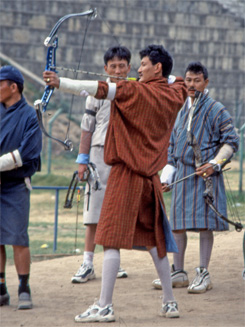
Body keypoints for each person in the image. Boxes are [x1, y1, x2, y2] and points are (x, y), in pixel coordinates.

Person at [43, 44, 188, 322]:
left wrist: (60, 83)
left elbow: (99, 88)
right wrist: (164, 76)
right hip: (150, 179)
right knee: (155, 241)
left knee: (109, 240)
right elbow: (177, 80)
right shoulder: (176, 93)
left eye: (143, 64)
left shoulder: (134, 91)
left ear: (156, 67)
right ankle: (170, 302)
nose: (139, 69)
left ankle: (104, 306)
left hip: (125, 175)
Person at [152, 61, 239, 293]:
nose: (191, 85)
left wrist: (214, 163)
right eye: (188, 80)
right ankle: (178, 272)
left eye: (197, 81)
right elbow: (173, 147)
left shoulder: (216, 109)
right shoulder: (183, 110)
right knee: (177, 226)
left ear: (206, 82)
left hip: (205, 176)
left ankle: (203, 273)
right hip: (182, 174)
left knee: (204, 226)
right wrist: (167, 177)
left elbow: (231, 141)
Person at [71, 46, 131, 284]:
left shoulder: (135, 90)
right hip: (98, 154)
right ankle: (87, 262)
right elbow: (87, 126)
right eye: (113, 66)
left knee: (116, 211)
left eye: (122, 66)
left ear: (129, 68)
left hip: (124, 157)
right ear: (105, 68)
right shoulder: (97, 92)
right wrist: (82, 160)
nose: (117, 70)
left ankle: (112, 261)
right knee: (93, 211)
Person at [0, 65, 42, 309]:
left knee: (18, 237)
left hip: (16, 185)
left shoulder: (30, 115)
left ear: (13, 87)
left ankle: (23, 286)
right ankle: (1, 286)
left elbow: (27, 153)